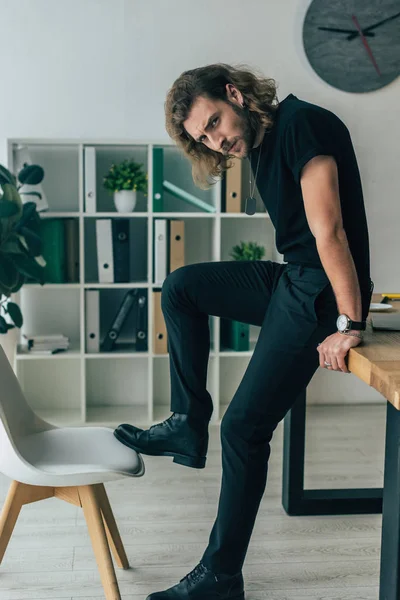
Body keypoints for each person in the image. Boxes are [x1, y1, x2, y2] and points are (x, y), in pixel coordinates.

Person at [113, 63, 374, 600]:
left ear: (234, 94)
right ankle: (188, 422)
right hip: (295, 279)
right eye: (203, 136)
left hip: (320, 293)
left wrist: (350, 323)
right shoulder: (257, 143)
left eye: (214, 122)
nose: (216, 139)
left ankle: (220, 575)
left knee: (243, 429)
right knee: (182, 286)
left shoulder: (302, 124)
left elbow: (331, 232)